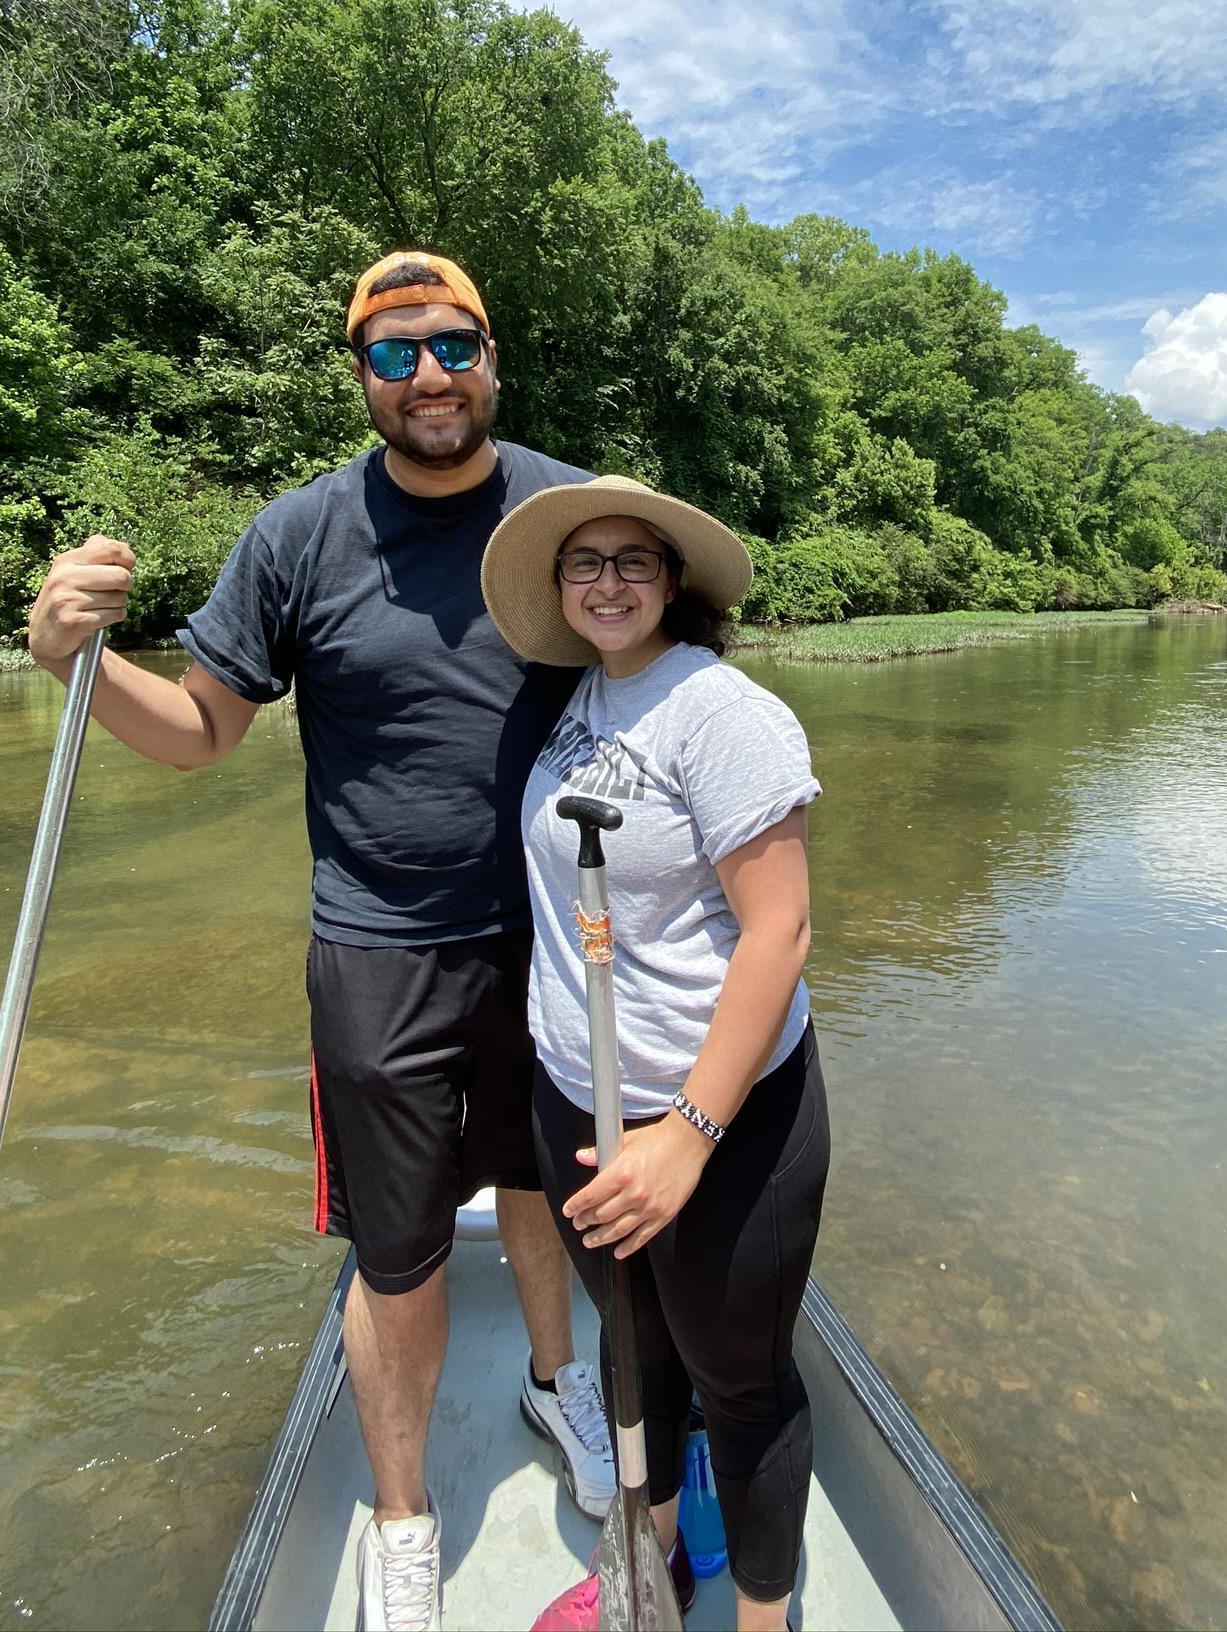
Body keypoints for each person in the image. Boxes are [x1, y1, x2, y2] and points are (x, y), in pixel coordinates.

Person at [26, 251, 614, 1632]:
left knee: (541, 1187)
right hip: (378, 952)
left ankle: (557, 1383)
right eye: (395, 352)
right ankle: (404, 1518)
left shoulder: (566, 512)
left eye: (454, 345)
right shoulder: (298, 537)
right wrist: (75, 663)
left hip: (557, 938)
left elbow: (663, 676)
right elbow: (200, 733)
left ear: (492, 358)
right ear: (360, 375)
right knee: (397, 1248)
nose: (429, 376)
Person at [479, 476, 832, 1632]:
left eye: (633, 559)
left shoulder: (718, 711)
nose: (608, 580)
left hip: (720, 1123)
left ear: (673, 580)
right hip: (581, 1101)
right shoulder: (575, 697)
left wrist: (687, 1132)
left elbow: (778, 930)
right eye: (584, 561)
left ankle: (761, 1617)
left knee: (740, 1384)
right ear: (559, 586)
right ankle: (656, 1561)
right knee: (641, 1353)